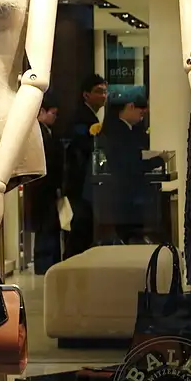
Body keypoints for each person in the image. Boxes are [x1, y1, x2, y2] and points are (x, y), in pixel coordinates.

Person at [95, 91, 164, 243]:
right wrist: (157, 160)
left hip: (122, 192)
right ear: (130, 106)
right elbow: (130, 164)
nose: (142, 117)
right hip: (124, 193)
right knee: (130, 234)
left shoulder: (119, 130)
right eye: (141, 112)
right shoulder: (120, 133)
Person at [63, 74, 107, 258]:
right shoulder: (81, 118)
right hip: (79, 182)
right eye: (98, 91)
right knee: (81, 223)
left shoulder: (90, 117)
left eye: (105, 92)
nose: (103, 96)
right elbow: (81, 147)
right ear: (86, 94)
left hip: (85, 182)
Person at [24, 94, 64, 274]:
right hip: (42, 189)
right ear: (41, 112)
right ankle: (45, 264)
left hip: (44, 189)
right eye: (52, 113)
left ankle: (48, 263)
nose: (55, 117)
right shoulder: (38, 134)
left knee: (47, 228)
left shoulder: (45, 132)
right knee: (46, 228)